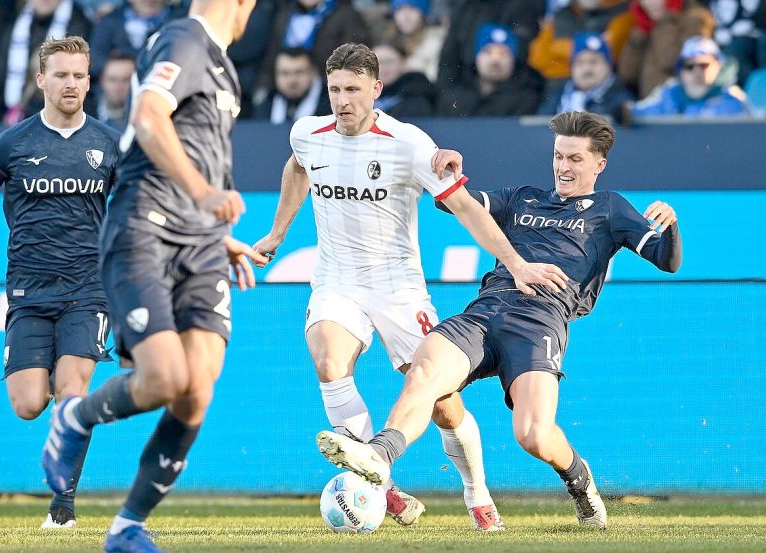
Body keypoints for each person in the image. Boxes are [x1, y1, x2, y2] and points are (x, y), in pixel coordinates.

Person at [315, 110, 683, 531]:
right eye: (559, 156)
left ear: (599, 164)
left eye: (575, 159)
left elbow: (666, 261)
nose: (563, 166)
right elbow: (455, 203)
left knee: (533, 435)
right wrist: (446, 166)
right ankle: (379, 454)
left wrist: (670, 226)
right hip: (485, 311)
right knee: (424, 371)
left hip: (540, 322)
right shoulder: (523, 198)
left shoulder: (611, 208)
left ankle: (581, 483)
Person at [252, 42, 567, 531]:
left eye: (353, 90)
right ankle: (380, 481)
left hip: (398, 286)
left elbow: (465, 208)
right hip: (337, 278)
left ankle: (477, 492)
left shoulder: (409, 143)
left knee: (442, 403)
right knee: (329, 361)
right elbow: (297, 168)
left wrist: (517, 263)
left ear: (376, 90)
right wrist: (277, 233)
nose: (342, 100)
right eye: (335, 89)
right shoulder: (307, 134)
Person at [40, 1, 267, 551]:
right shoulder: (185, 38)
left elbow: (202, 152)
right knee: (164, 379)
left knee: (196, 392)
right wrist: (203, 194)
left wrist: (217, 231)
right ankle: (74, 417)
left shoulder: (222, 63)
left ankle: (126, 528)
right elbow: (147, 115)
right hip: (144, 227)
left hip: (201, 243)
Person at [0, 36, 119, 530]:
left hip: (88, 289)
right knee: (30, 404)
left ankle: (62, 508)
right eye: (61, 75)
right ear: (41, 80)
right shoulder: (14, 142)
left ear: (89, 82)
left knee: (72, 391)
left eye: (79, 76)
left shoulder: (109, 144)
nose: (71, 84)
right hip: (28, 291)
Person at [435, 23, 543, 116]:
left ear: (513, 61)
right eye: (488, 52)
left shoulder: (526, 100)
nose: (495, 60)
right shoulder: (454, 98)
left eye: (503, 54)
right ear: (476, 57)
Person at [631, 35, 750, 117]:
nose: (697, 72)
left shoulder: (732, 100)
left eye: (704, 65)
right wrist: (623, 110)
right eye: (689, 66)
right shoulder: (669, 95)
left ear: (718, 66)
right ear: (680, 71)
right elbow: (638, 113)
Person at [539, 32, 635, 120]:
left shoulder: (620, 99)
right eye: (580, 63)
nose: (587, 69)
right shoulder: (556, 98)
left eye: (594, 62)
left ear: (608, 66)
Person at [251, 46, 329, 123]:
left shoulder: (332, 105)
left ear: (314, 72)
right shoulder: (265, 104)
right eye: (285, 73)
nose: (292, 80)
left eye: (299, 72)